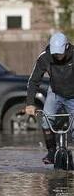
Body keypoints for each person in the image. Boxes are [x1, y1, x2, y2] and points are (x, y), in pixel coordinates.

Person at [26, 32, 74, 164]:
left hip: (73, 95)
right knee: (46, 120)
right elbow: (34, 81)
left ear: (66, 47)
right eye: (55, 54)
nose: (57, 56)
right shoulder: (45, 57)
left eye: (60, 53)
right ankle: (51, 151)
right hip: (55, 92)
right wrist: (30, 103)